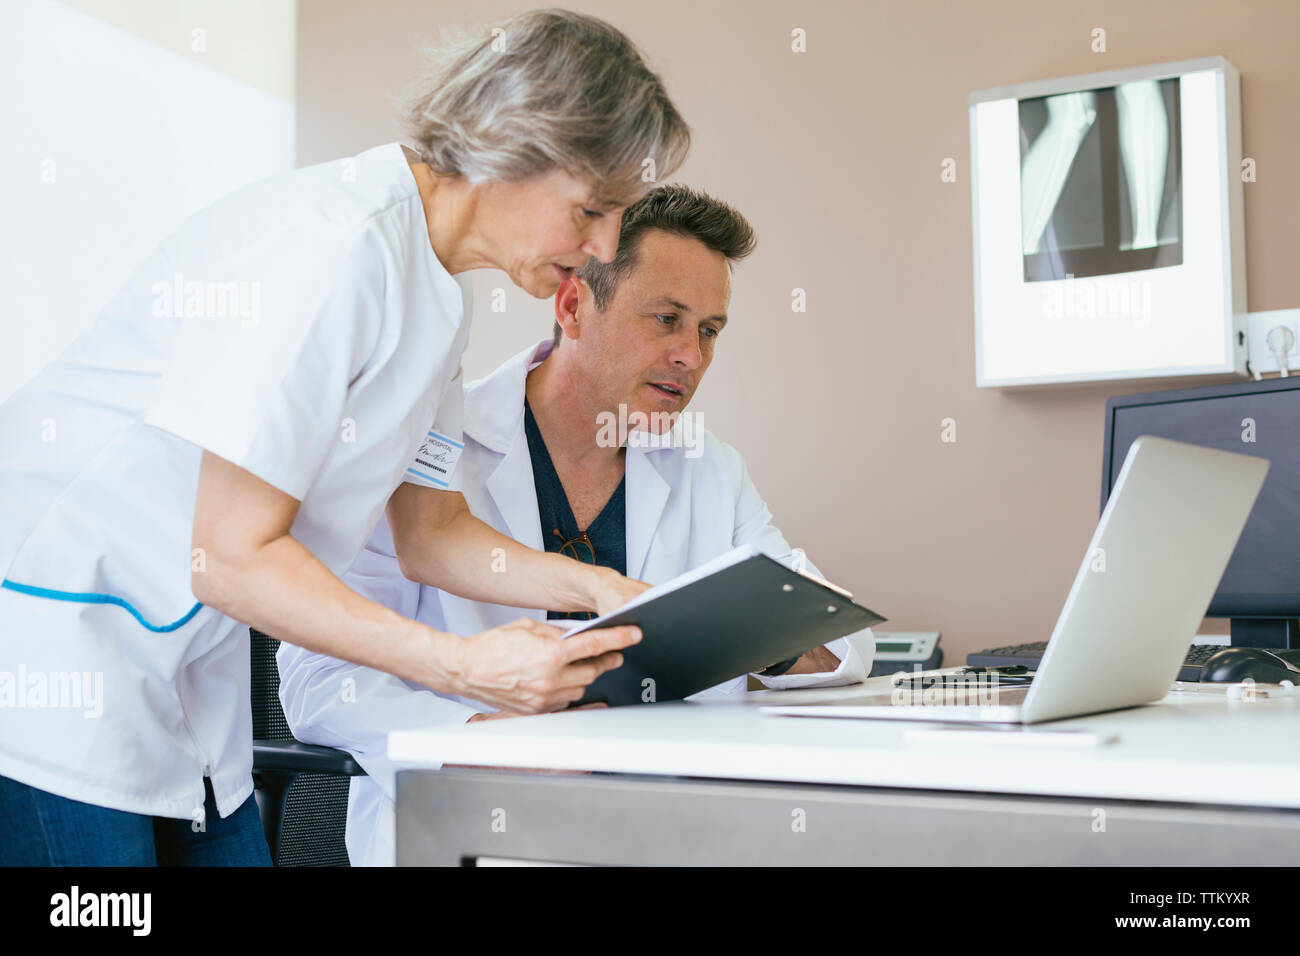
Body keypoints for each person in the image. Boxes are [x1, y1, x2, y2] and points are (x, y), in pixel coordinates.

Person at [0, 9, 689, 866]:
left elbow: (430, 533)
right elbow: (229, 553)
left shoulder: (438, 295)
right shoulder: (330, 248)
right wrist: (461, 667)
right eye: (593, 209)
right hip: (61, 650)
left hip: (181, 675)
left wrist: (600, 591)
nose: (603, 247)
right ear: (515, 142)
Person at [278, 185, 873, 866]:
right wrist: (476, 739)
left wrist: (762, 638)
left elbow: (842, 644)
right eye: (666, 319)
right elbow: (321, 678)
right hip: (471, 831)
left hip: (667, 834)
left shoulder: (710, 468)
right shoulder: (435, 451)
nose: (692, 356)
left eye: (709, 330)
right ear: (573, 307)